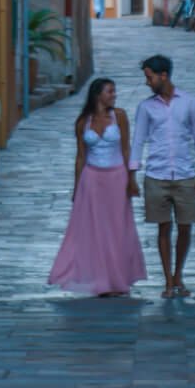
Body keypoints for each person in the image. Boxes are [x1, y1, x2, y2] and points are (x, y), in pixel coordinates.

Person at [47, 77, 147, 297]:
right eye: (110, 91)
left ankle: (117, 278)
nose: (114, 95)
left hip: (117, 178)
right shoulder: (83, 121)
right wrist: (76, 188)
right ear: (97, 94)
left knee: (118, 228)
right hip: (91, 180)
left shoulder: (119, 116)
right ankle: (100, 279)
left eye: (114, 91)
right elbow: (81, 156)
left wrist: (131, 179)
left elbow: (126, 149)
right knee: (95, 229)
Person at [128, 53, 195, 298]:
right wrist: (132, 175)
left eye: (149, 77)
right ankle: (167, 280)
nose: (147, 82)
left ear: (163, 76)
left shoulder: (190, 103)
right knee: (163, 228)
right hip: (156, 174)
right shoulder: (146, 107)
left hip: (185, 174)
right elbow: (138, 141)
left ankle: (179, 276)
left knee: (185, 227)